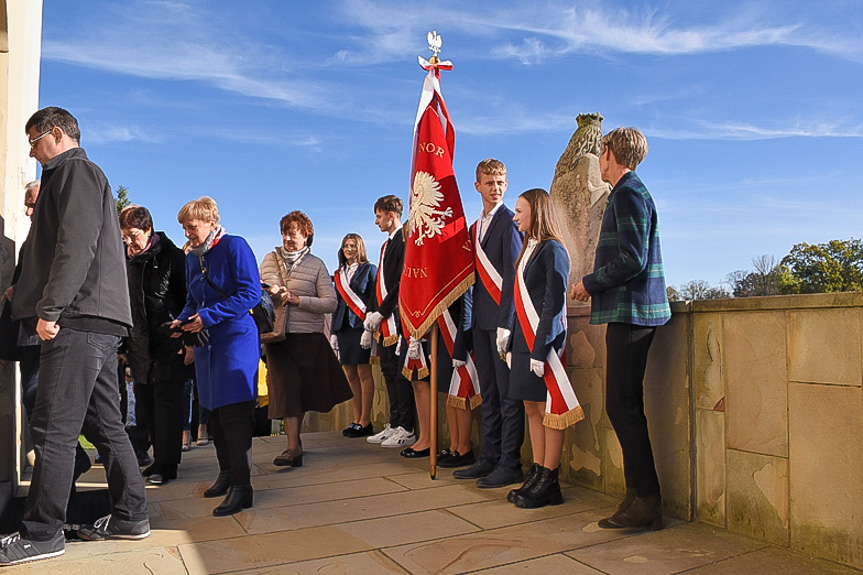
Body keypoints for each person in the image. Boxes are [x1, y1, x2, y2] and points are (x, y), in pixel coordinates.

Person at [1, 107, 149, 566]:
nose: (30, 150)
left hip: (78, 318)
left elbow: (76, 245)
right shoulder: (72, 175)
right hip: (95, 319)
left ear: (57, 134)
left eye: (34, 140)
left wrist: (49, 309)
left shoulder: (75, 171)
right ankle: (130, 515)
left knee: (54, 428)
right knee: (106, 422)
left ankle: (42, 533)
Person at [570, 127, 671, 530]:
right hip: (633, 313)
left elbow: (632, 259)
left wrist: (588, 283)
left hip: (632, 314)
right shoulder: (632, 190)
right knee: (624, 405)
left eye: (601, 151)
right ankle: (635, 496)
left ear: (609, 152)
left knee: (622, 406)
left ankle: (647, 502)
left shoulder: (628, 193)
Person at [172, 196, 260, 517]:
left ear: (210, 222)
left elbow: (251, 293)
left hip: (236, 340)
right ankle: (226, 474)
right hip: (208, 345)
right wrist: (181, 320)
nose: (187, 234)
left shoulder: (235, 246)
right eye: (184, 228)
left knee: (234, 413)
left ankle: (243, 487)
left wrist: (207, 317)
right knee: (216, 414)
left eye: (192, 227)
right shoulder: (192, 258)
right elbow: (192, 300)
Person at [260, 211, 352, 466]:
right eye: (285, 232)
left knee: (299, 392)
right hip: (276, 338)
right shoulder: (268, 259)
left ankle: (295, 444)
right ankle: (292, 447)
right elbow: (254, 294)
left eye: (293, 233)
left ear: (306, 235)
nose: (288, 237)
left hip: (307, 338)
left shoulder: (317, 264)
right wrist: (271, 294)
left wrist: (297, 299)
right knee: (286, 388)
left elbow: (330, 303)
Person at [454, 159, 525, 488]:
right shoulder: (474, 227)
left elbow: (512, 275)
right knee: (490, 393)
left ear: (506, 185)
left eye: (500, 182)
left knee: (509, 395)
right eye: (489, 182)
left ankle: (510, 462)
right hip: (481, 321)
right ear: (477, 186)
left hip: (501, 322)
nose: (495, 188)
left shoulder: (509, 223)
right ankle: (489, 456)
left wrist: (506, 322)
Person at [507, 188, 574, 508]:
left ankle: (550, 477)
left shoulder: (552, 249)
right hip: (523, 339)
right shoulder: (527, 249)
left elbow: (553, 303)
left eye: (520, 211)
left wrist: (540, 346)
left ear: (538, 212)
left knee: (549, 412)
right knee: (530, 407)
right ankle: (536, 470)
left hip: (543, 342)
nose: (515, 216)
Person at [119, 205, 189, 485]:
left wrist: (187, 340)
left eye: (133, 236)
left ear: (148, 230)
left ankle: (167, 464)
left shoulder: (172, 257)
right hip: (138, 345)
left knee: (166, 406)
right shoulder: (126, 262)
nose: (129, 243)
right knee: (147, 405)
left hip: (169, 342)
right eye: (124, 237)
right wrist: (123, 348)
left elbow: (187, 300)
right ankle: (158, 460)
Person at [362, 196, 416, 449]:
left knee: (398, 374)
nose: (376, 221)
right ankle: (394, 423)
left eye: (379, 216)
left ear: (391, 215)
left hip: (396, 319)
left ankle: (406, 427)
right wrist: (369, 316)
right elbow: (379, 285)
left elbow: (400, 282)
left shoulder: (403, 242)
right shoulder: (386, 246)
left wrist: (382, 311)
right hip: (383, 322)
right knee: (387, 373)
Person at [330, 233, 377, 438]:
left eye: (352, 245)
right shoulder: (339, 274)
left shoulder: (369, 269)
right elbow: (337, 304)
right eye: (345, 246)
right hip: (343, 328)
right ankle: (356, 418)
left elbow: (374, 299)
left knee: (363, 373)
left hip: (361, 327)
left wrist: (370, 328)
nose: (348, 249)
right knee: (350, 374)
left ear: (360, 248)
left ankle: (366, 420)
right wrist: (333, 332)